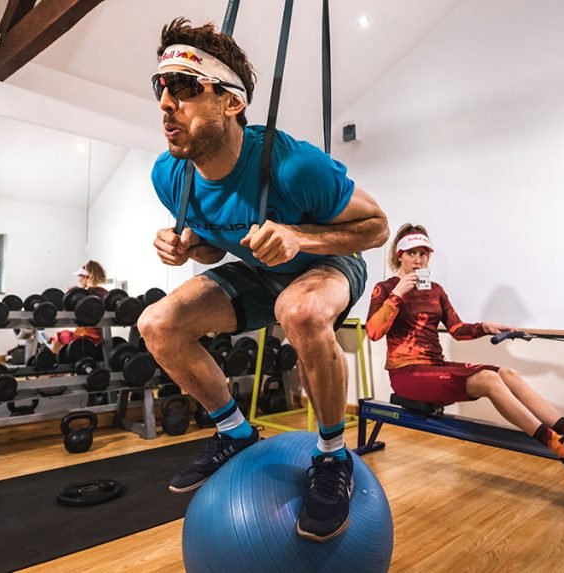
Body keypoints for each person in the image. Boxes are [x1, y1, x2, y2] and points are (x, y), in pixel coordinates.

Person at [137, 18, 389, 542]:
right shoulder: (170, 175)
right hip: (260, 272)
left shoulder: (294, 166)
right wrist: (187, 248)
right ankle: (234, 431)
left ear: (231, 102)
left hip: (327, 265)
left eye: (185, 89)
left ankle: (331, 456)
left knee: (297, 311)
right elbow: (214, 242)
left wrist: (302, 238)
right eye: (161, 87)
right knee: (157, 324)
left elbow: (377, 227)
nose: (166, 103)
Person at [365, 224, 564, 482]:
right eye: (412, 253)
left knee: (508, 373)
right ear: (400, 255)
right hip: (407, 373)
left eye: (424, 254)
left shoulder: (436, 291)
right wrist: (398, 293)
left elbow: (457, 329)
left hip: (434, 366)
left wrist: (485, 327)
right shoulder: (386, 289)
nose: (419, 260)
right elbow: (374, 332)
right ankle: (563, 450)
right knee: (488, 380)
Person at [51, 260, 108, 349]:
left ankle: (53, 362)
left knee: (60, 336)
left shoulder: (85, 295)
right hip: (99, 336)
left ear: (87, 276)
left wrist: (70, 295)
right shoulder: (105, 293)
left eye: (80, 276)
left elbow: (67, 309)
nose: (79, 279)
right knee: (57, 338)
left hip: (87, 336)